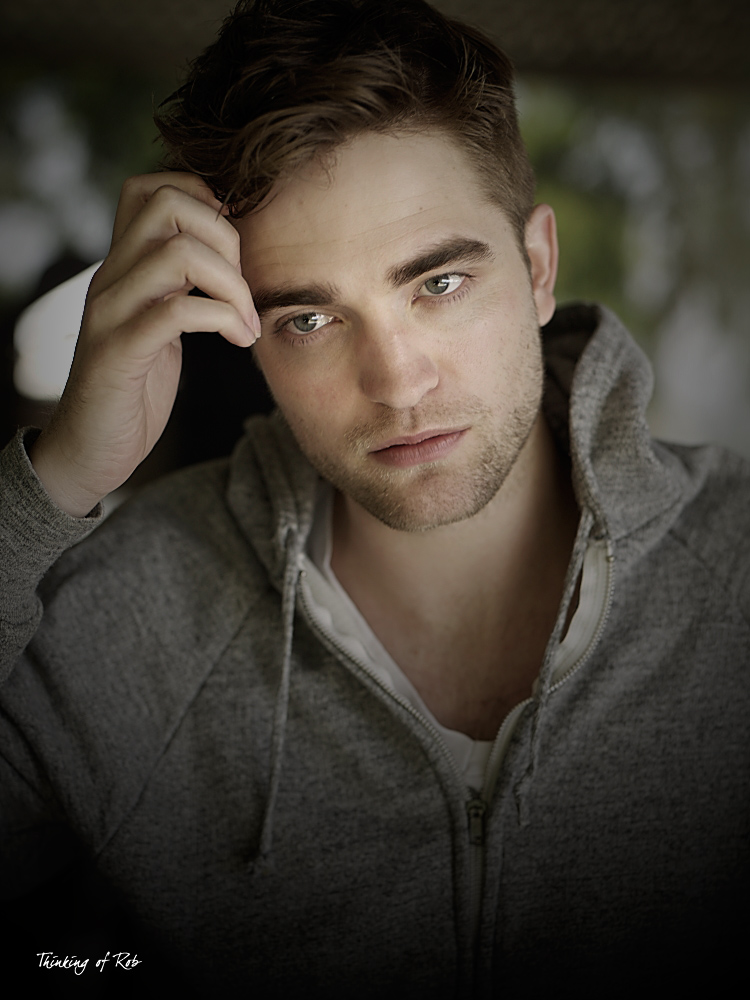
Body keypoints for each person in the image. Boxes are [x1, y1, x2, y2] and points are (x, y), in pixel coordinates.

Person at [1, 0, 748, 995]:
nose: (396, 384)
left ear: (536, 268)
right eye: (309, 319)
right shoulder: (122, 619)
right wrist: (55, 479)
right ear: (244, 335)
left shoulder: (737, 567)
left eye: (438, 285)